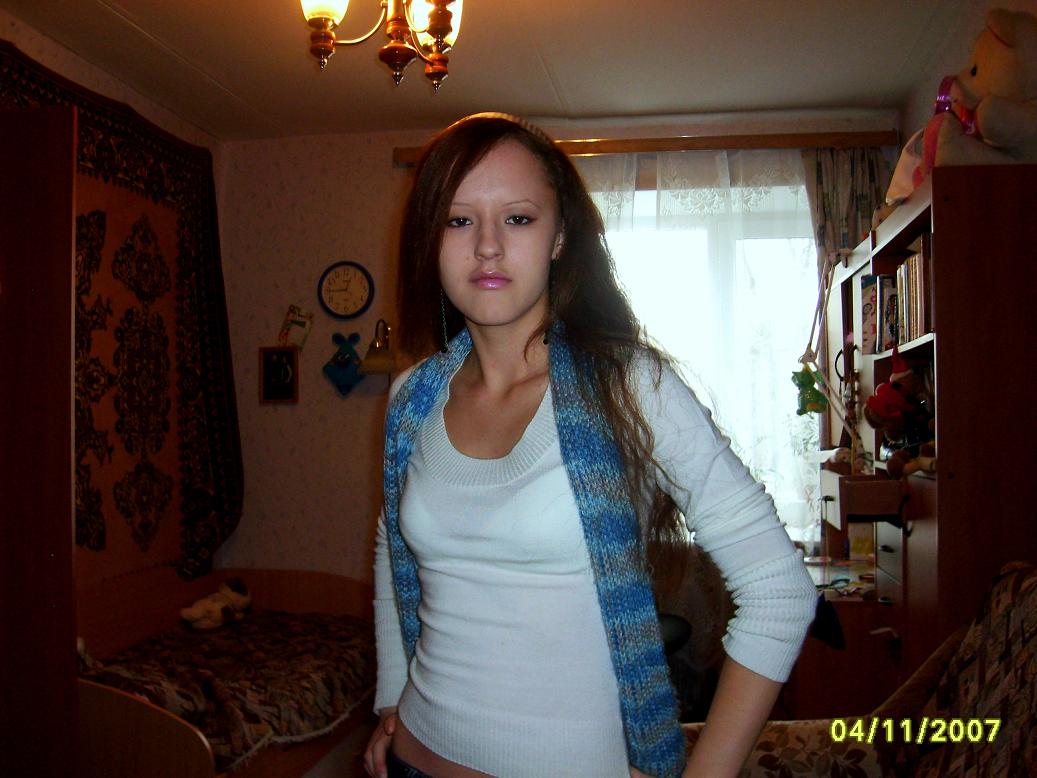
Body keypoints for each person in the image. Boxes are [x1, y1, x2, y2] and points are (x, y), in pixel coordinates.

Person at [364, 112, 817, 778]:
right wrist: (390, 698)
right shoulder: (411, 397)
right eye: (458, 220)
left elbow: (779, 589)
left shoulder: (630, 385)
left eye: (517, 218)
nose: (487, 246)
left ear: (558, 238)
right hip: (412, 762)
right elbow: (391, 541)